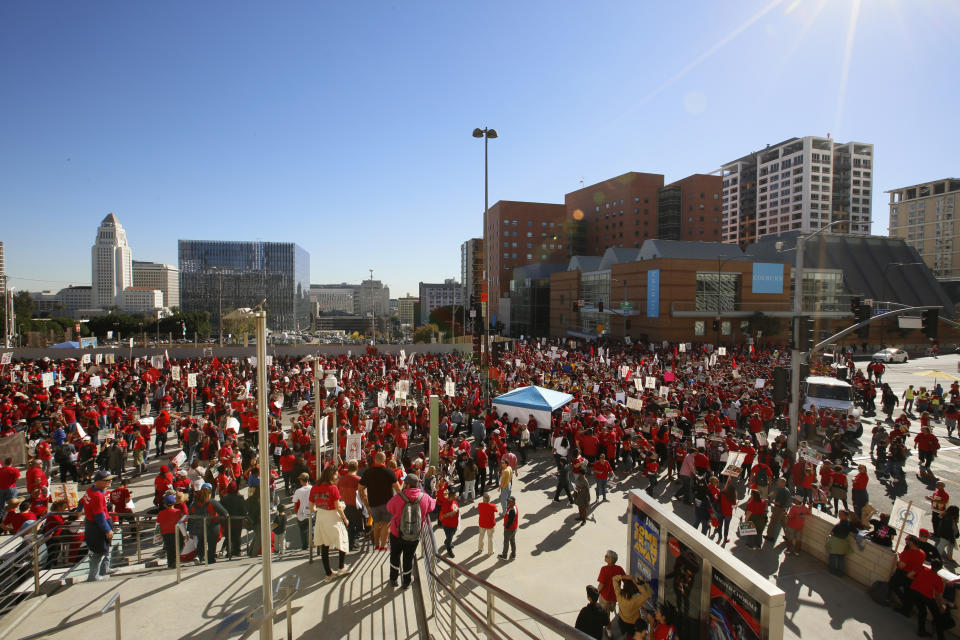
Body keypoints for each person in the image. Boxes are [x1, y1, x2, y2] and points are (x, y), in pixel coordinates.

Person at [386, 474, 435, 589]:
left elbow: (389, 508)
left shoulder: (399, 497)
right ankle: (407, 582)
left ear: (407, 485)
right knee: (408, 558)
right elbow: (432, 507)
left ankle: (393, 579)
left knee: (395, 555)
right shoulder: (424, 497)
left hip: (397, 533)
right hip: (414, 535)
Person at [311, 465, 351, 582]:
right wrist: (345, 518)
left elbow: (310, 507)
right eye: (336, 474)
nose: (337, 476)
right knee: (342, 539)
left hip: (321, 517)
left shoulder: (314, 487)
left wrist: (320, 509)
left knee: (324, 545)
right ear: (332, 474)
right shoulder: (332, 488)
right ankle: (341, 567)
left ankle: (328, 573)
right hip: (332, 516)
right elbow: (338, 506)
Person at [359, 452, 402, 552]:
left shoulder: (368, 472)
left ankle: (377, 545)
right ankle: (383, 546)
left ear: (374, 460)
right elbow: (398, 489)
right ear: (384, 460)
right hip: (388, 503)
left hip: (373, 503)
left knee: (376, 524)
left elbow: (360, 488)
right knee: (386, 525)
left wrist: (365, 499)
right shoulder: (389, 472)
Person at [900, 559, 948, 640]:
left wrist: (918, 581)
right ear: (939, 569)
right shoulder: (939, 580)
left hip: (914, 592)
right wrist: (941, 606)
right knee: (937, 616)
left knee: (922, 611)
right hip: (927, 596)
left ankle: (921, 631)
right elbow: (937, 595)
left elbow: (909, 575)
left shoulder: (922, 568)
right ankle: (941, 637)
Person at [81, 470, 114, 582]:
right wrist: (107, 529)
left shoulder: (90, 490)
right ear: (98, 482)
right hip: (97, 527)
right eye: (107, 481)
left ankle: (105, 568)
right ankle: (93, 576)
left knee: (105, 549)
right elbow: (99, 516)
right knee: (99, 552)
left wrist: (78, 510)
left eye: (110, 480)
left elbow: (82, 501)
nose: (110, 482)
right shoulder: (98, 495)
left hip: (94, 524)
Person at [187, 484, 229, 565]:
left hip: (199, 526)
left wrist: (189, 529)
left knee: (201, 542)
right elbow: (225, 514)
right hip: (213, 526)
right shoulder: (212, 502)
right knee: (212, 543)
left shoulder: (194, 503)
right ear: (209, 494)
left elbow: (190, 516)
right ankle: (210, 559)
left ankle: (198, 556)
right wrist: (220, 520)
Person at [609, 574, 651, 640]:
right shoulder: (635, 600)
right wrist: (635, 582)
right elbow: (647, 595)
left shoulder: (619, 595)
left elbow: (614, 578)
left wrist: (624, 577)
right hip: (633, 624)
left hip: (622, 621)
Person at [157, 494, 183, 569]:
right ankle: (175, 561)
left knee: (169, 549)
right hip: (176, 533)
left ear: (165, 505)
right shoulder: (178, 512)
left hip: (165, 533)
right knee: (178, 547)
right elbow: (181, 523)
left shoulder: (160, 513)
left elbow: (158, 524)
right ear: (174, 503)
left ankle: (170, 563)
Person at [826, 510, 855, 576]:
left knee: (833, 557)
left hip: (836, 543)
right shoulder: (850, 523)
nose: (839, 516)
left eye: (841, 514)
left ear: (845, 516)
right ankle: (841, 573)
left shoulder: (838, 525)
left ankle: (832, 570)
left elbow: (832, 533)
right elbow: (855, 531)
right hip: (843, 544)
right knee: (841, 558)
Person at [766, 478, 792, 544]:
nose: (777, 482)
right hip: (783, 509)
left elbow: (779, 503)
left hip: (779, 509)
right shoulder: (785, 489)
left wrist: (770, 501)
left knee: (773, 522)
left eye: (779, 481)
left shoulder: (782, 491)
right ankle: (788, 536)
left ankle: (770, 536)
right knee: (784, 523)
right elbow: (774, 493)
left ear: (783, 483)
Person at [292, 472, 313, 551]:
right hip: (311, 511)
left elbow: (294, 501)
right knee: (312, 528)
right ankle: (313, 542)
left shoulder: (298, 491)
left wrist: (296, 512)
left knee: (303, 530)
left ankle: (305, 546)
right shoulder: (312, 488)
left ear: (301, 480)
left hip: (301, 513)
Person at [499, 495, 519, 560]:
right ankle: (513, 554)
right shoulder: (513, 507)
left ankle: (504, 555)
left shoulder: (512, 510)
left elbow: (510, 521)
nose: (508, 502)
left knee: (506, 542)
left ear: (513, 502)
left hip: (510, 529)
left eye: (510, 501)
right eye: (508, 501)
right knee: (512, 541)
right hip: (514, 528)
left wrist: (506, 527)